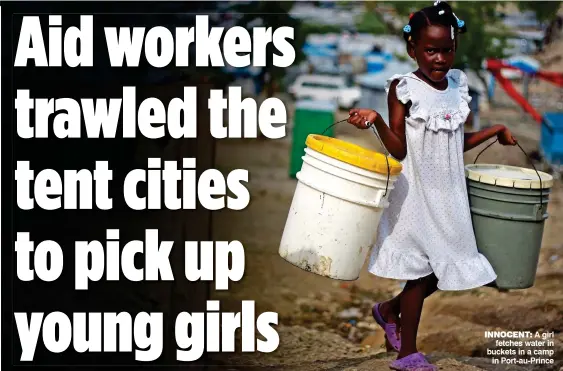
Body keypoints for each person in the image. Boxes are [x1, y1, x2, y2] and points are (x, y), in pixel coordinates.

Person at [347, 1, 517, 370]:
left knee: (449, 263)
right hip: (415, 192)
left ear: (455, 48)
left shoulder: (458, 86)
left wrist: (495, 130)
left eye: (447, 50)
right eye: (430, 50)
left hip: (449, 193)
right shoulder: (404, 88)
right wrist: (377, 120)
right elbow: (399, 147)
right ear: (413, 49)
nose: (440, 58)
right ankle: (408, 353)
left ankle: (389, 310)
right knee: (423, 271)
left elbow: (454, 140)